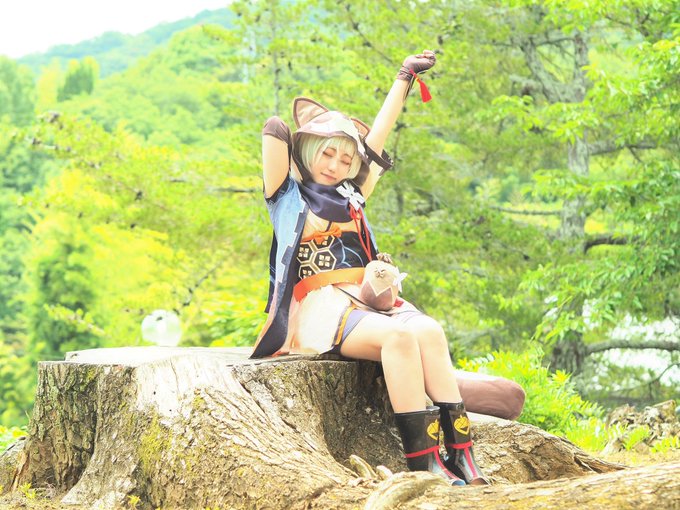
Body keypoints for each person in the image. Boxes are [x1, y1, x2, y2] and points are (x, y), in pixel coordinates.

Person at [251, 50, 525, 486]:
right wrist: (303, 125)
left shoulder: (353, 195)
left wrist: (404, 79)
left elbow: (376, 141)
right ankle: (425, 463)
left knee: (429, 330)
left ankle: (463, 455)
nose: (336, 165)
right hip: (322, 306)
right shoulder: (287, 197)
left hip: (368, 297)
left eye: (346, 159)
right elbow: (274, 130)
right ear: (309, 150)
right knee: (399, 339)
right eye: (327, 153)